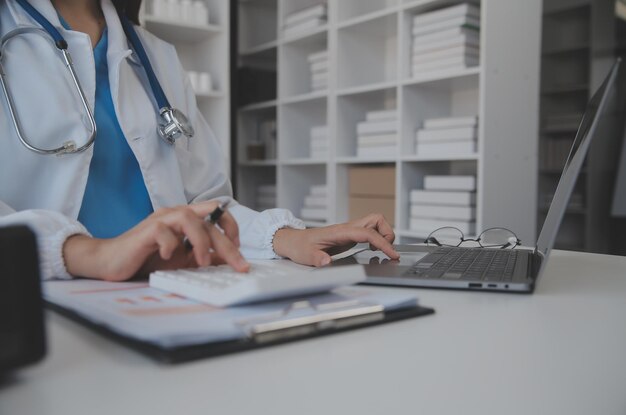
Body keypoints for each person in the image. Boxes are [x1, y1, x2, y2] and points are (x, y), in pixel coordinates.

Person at [0, 0, 399, 282]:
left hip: (166, 293)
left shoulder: (156, 56)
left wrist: (288, 238)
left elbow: (206, 205)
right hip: (43, 305)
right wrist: (91, 254)